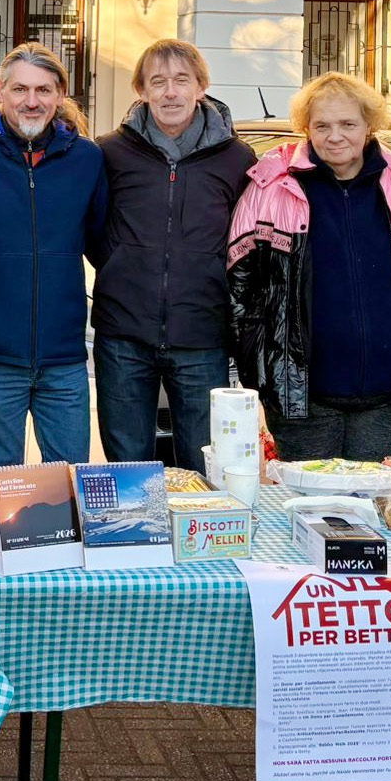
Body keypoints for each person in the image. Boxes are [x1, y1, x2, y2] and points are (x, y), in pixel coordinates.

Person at [227, 72, 391, 462]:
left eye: (348, 124)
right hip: (303, 398)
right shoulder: (271, 188)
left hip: (390, 396)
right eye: (322, 126)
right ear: (306, 129)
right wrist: (260, 368)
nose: (335, 136)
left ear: (369, 125)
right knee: (307, 494)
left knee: (370, 495)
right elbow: (239, 287)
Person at [91, 40, 254, 470]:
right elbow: (92, 228)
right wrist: (120, 266)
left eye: (181, 80)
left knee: (204, 463)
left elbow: (245, 240)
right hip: (123, 333)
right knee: (127, 466)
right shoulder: (110, 152)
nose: (170, 92)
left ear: (201, 87)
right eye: (157, 81)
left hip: (202, 334)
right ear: (141, 90)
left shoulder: (236, 158)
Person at [0, 43, 106, 467]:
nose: (31, 101)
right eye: (20, 89)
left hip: (64, 357)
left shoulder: (87, 159)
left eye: (43, 90)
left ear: (60, 95)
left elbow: (104, 246)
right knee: (3, 483)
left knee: (70, 478)